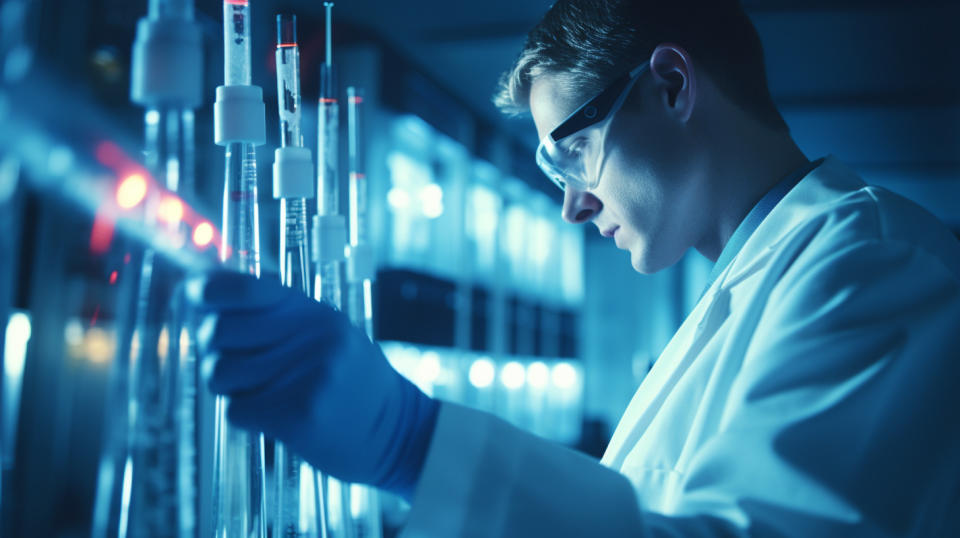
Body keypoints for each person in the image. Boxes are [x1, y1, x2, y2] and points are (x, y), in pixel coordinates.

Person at [191, 0, 960, 535]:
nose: (573, 207)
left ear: (670, 85)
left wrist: (414, 444)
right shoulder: (751, 282)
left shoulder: (874, 264)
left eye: (574, 155)